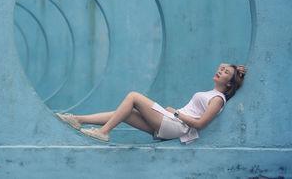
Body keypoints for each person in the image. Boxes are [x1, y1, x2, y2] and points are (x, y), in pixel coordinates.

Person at [56, 63, 246, 144]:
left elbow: (200, 124)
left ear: (229, 83)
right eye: (220, 69)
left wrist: (177, 114)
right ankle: (79, 120)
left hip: (177, 125)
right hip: (172, 122)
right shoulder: (212, 93)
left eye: (225, 72)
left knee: (133, 97)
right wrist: (235, 69)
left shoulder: (217, 99)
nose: (220, 71)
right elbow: (227, 67)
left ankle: (104, 132)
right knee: (126, 113)